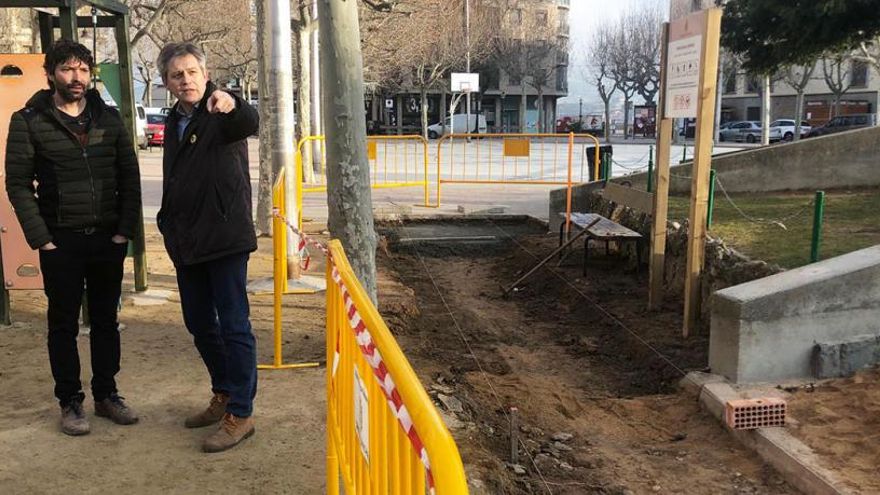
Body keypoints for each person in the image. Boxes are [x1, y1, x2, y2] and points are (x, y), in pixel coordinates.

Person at [5, 39, 142, 436]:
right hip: (60, 242)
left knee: (105, 321)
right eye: (67, 69)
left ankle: (107, 394)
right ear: (50, 74)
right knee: (62, 324)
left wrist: (123, 232)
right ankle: (70, 401)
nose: (76, 76)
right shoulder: (28, 119)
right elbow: (17, 184)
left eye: (83, 69)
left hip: (106, 240)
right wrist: (42, 238)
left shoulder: (109, 118)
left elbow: (129, 177)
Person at [155, 42, 259, 453]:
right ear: (167, 82)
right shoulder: (174, 121)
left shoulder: (221, 110)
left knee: (235, 326)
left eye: (192, 72)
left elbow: (248, 121)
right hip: (187, 240)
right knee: (199, 323)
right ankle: (224, 393)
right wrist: (166, 222)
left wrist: (232, 102)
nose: (186, 80)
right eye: (177, 75)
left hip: (225, 237)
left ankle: (242, 412)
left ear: (205, 72)